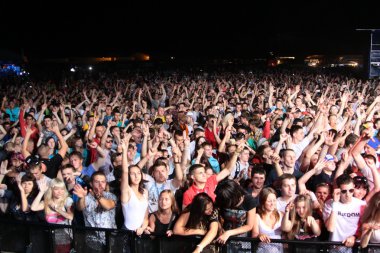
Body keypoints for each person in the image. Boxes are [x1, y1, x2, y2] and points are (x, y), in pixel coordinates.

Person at [74, 171, 117, 253]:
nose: (100, 185)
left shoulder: (111, 196)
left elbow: (108, 206)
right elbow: (79, 207)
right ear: (91, 183)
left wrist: (98, 197)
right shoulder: (86, 198)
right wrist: (81, 198)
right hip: (92, 242)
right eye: (97, 182)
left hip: (111, 240)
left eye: (103, 182)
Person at [323, 174, 366, 253]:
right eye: (344, 191)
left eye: (351, 190)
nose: (348, 194)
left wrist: (354, 237)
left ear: (353, 186)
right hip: (335, 247)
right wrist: (335, 203)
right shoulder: (330, 203)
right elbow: (330, 228)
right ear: (338, 190)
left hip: (355, 247)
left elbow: (364, 228)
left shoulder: (361, 204)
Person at [120, 137, 149, 252]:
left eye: (138, 173)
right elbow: (124, 171)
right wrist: (124, 150)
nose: (136, 176)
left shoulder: (145, 192)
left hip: (141, 234)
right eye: (132, 174)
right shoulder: (127, 191)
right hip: (127, 234)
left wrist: (143, 227)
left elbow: (145, 216)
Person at [31, 179, 74, 253]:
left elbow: (70, 217)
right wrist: (41, 192)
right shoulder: (47, 202)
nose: (60, 192)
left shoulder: (68, 200)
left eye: (62, 189)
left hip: (64, 238)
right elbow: (33, 208)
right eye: (56, 189)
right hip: (50, 238)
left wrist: (58, 209)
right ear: (51, 190)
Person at [215, 179, 257, 252]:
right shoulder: (222, 198)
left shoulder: (249, 200)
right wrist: (219, 228)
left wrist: (229, 233)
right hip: (225, 238)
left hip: (243, 240)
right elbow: (215, 216)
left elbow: (249, 226)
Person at [252, 187, 283, 253]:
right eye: (269, 201)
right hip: (264, 249)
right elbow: (254, 235)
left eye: (274, 200)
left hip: (279, 249)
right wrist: (260, 235)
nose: (272, 203)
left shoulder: (281, 214)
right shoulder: (257, 217)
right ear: (263, 202)